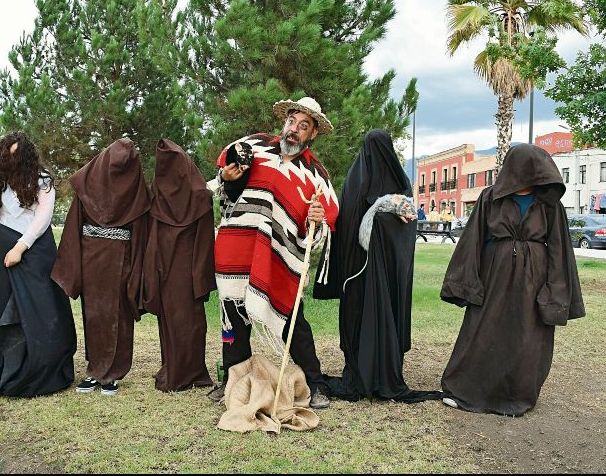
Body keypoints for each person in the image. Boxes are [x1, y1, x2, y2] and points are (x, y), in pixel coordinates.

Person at [209, 97, 339, 409]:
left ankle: (315, 381)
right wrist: (226, 180)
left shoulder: (314, 175)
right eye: (292, 122)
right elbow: (224, 188)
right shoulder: (253, 147)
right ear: (285, 122)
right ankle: (232, 378)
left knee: (294, 317)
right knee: (232, 320)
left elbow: (323, 225)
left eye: (303, 126)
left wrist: (316, 220)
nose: (294, 130)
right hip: (236, 247)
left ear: (312, 134)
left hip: (279, 256)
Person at [440, 144, 585, 416]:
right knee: (483, 329)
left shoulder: (549, 203)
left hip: (534, 279)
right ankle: (466, 389)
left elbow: (558, 249)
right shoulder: (490, 198)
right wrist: (467, 282)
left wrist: (554, 292)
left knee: (527, 335)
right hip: (495, 276)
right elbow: (472, 241)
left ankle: (515, 396)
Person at [313, 129, 441, 403]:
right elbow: (344, 225)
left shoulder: (376, 184)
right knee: (360, 315)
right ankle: (362, 371)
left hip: (380, 274)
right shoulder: (359, 184)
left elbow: (404, 230)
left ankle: (375, 371)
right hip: (358, 271)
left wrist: (384, 221)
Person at [0, 132, 76, 397]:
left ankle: (40, 365)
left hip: (34, 251)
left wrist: (20, 247)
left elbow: (42, 218)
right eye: (7, 154)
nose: (11, 159)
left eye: (17, 154)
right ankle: (0, 363)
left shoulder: (42, 181)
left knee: (40, 309)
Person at [51, 138, 151, 396]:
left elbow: (141, 231)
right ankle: (95, 370)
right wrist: (73, 267)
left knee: (119, 313)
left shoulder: (136, 189)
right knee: (94, 314)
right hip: (91, 258)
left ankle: (115, 373)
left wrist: (138, 270)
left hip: (122, 259)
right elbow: (74, 226)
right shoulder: (89, 183)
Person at [141, 139, 216, 392]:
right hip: (167, 267)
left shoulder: (198, 195)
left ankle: (187, 371)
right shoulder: (158, 195)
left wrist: (200, 276)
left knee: (187, 320)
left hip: (184, 268)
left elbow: (205, 239)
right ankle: (174, 367)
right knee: (173, 320)